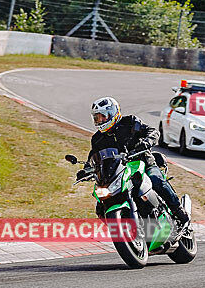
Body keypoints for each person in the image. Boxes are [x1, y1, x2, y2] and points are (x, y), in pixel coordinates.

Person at [80, 96, 191, 229]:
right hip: (118, 171)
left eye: (102, 116)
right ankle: (127, 231)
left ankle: (179, 212)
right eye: (97, 118)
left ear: (113, 112)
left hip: (143, 163)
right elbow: (93, 156)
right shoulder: (97, 139)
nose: (100, 121)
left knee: (156, 180)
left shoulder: (130, 122)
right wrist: (86, 169)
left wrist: (147, 141)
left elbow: (152, 132)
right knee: (101, 205)